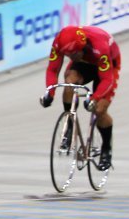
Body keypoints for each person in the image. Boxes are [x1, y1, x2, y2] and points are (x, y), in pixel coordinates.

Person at [40, 26, 120, 170]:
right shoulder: (59, 42)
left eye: (74, 54)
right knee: (69, 81)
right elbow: (52, 69)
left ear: (82, 46)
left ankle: (106, 148)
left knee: (99, 109)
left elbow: (107, 79)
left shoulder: (99, 46)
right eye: (68, 55)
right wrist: (49, 93)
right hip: (85, 62)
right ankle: (70, 123)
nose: (71, 57)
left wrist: (94, 98)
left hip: (107, 64)